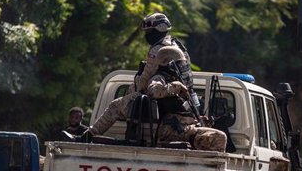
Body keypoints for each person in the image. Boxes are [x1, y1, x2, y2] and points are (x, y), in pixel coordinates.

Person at [83, 12, 197, 140]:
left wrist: (137, 80)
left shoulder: (158, 49)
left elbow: (143, 82)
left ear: (158, 29)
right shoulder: (179, 47)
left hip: (157, 101)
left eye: (149, 31)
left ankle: (87, 136)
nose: (146, 35)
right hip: (175, 102)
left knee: (115, 106)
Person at [146, 46, 227, 152]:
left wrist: (200, 120)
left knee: (212, 135)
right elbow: (153, 91)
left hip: (182, 128)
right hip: (170, 129)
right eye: (180, 64)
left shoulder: (176, 79)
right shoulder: (160, 77)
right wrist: (176, 86)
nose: (182, 68)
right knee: (219, 137)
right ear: (170, 64)